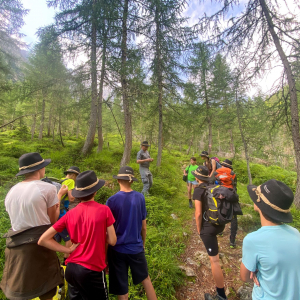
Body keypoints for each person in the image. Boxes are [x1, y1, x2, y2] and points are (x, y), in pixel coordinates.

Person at [38, 170, 117, 300]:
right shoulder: (104, 210)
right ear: (95, 191)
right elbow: (113, 240)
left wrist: (67, 250)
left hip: (72, 269)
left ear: (79, 194)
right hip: (92, 270)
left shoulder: (70, 214)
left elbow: (43, 239)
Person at [1, 152, 65, 300]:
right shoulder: (47, 189)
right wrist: (59, 199)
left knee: (21, 287)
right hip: (39, 245)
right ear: (39, 169)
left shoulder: (12, 191)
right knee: (45, 287)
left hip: (15, 244)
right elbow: (52, 221)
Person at [240, 179, 300, 300]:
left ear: (259, 203)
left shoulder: (252, 240)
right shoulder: (295, 233)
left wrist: (255, 271)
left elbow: (245, 277)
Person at [106, 166, 157, 300]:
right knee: (146, 279)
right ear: (132, 181)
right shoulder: (140, 197)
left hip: (117, 249)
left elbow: (108, 231)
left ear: (118, 181)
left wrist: (106, 255)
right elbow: (143, 227)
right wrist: (143, 244)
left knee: (121, 288)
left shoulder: (111, 201)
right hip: (136, 247)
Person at [192, 165, 227, 300]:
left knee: (214, 261)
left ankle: (221, 295)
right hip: (219, 225)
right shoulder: (213, 186)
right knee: (215, 257)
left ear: (197, 177)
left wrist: (199, 229)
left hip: (209, 228)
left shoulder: (198, 190)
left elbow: (198, 213)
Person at [55, 166, 81, 265]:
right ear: (74, 175)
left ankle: (52, 259)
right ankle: (65, 262)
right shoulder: (71, 182)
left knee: (56, 235)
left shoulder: (60, 181)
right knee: (69, 237)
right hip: (61, 213)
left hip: (55, 210)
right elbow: (71, 199)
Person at [215, 159, 238, 248]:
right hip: (231, 195)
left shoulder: (217, 172)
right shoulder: (232, 173)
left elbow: (212, 182)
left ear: (223, 165)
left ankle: (220, 231)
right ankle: (232, 241)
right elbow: (235, 185)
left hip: (220, 195)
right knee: (233, 217)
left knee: (221, 212)